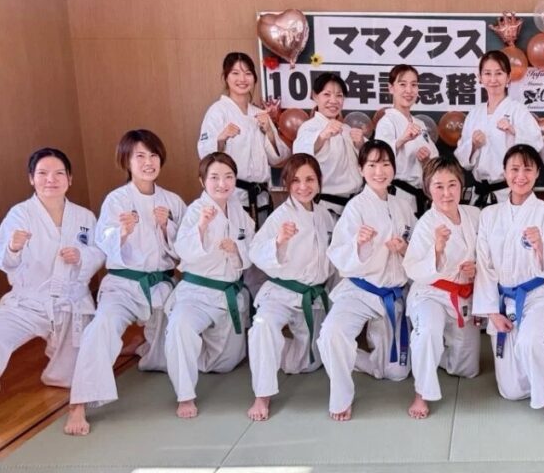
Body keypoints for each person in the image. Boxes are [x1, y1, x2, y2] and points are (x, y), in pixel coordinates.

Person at [65, 130, 186, 435]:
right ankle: (78, 404)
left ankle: (145, 348)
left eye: (153, 155)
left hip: (161, 287)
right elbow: (102, 242)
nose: (148, 162)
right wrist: (121, 232)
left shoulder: (172, 201)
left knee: (180, 339)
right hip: (122, 287)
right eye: (140, 156)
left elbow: (186, 249)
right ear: (127, 161)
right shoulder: (116, 200)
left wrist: (167, 227)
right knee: (102, 326)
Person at [317, 140, 416, 421]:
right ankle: (340, 396)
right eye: (372, 165)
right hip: (359, 291)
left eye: (385, 164)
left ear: (394, 169)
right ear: (361, 169)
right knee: (332, 333)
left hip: (393, 294)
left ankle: (361, 358)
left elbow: (417, 249)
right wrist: (358, 244)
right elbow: (337, 253)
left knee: (396, 373)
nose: (379, 171)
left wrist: (404, 249)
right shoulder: (355, 208)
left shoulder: (403, 206)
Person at [473, 144, 544, 424]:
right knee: (511, 391)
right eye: (514, 169)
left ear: (538, 172)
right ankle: (536, 374)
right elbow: (484, 266)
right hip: (503, 300)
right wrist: (492, 312)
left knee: (530, 342)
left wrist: (541, 247)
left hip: (537, 295)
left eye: (528, 169)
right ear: (504, 172)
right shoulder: (489, 215)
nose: (520, 176)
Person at [0, 149, 103, 393]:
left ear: (70, 178)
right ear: (31, 178)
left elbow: (100, 252)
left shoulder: (84, 216)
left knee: (76, 377)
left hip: (71, 303)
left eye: (59, 173)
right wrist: (13, 247)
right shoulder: (20, 214)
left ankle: (60, 359)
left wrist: (81, 257)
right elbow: (5, 261)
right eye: (42, 173)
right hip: (28, 303)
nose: (50, 180)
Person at [164, 152, 256, 419]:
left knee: (225, 364)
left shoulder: (239, 211)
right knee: (181, 327)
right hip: (197, 294)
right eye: (214, 177)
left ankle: (184, 352)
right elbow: (182, 249)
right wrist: (202, 227)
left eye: (228, 177)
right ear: (202, 181)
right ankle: (185, 394)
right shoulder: (196, 211)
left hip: (228, 295)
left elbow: (252, 248)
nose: (222, 183)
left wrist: (237, 250)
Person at [246, 154, 334, 422]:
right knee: (263, 325)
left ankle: (274, 351)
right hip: (281, 294)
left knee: (307, 364)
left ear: (319, 181)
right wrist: (279, 241)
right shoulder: (280, 217)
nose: (303, 187)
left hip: (312, 297)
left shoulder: (324, 215)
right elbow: (255, 252)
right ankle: (262, 395)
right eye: (295, 181)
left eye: (309, 179)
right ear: (286, 183)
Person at [403, 157, 481, 419]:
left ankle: (436, 355)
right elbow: (412, 267)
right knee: (428, 331)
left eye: (452, 185)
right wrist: (436, 250)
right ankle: (421, 392)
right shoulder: (426, 223)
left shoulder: (474, 215)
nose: (446, 193)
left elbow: (487, 253)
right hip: (431, 293)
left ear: (461, 186)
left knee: (466, 369)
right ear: (428, 189)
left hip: (462, 296)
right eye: (439, 186)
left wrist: (476, 268)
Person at [197, 52, 289, 226]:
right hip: (232, 195)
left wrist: (269, 132)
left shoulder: (260, 114)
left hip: (261, 196)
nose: (242, 79)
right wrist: (221, 139)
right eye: (235, 73)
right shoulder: (218, 111)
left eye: (248, 73)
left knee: (260, 240)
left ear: (254, 78)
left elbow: (278, 158)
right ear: (226, 77)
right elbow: (205, 154)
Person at [455, 51, 543, 207]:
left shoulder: (518, 111)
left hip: (509, 191)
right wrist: (473, 145)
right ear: (480, 77)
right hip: (480, 193)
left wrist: (514, 131)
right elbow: (463, 161)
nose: (493, 79)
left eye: (499, 73)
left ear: (508, 77)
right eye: (487, 74)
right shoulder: (474, 114)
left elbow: (536, 145)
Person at [293, 72, 364, 221]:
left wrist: (361, 145)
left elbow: (371, 159)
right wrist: (322, 136)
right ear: (315, 96)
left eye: (339, 96)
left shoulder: (347, 129)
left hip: (354, 206)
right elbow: (301, 156)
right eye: (327, 94)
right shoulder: (309, 127)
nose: (333, 100)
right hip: (326, 207)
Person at [374, 65, 439, 216]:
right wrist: (402, 140)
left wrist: (426, 160)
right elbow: (379, 157)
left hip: (421, 196)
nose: (409, 90)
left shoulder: (420, 124)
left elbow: (435, 162)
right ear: (391, 88)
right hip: (398, 195)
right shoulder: (387, 121)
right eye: (402, 84)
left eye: (414, 85)